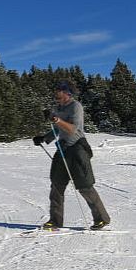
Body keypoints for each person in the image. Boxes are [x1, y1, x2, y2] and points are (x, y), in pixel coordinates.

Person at [33, 81, 111, 231]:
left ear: (67, 92)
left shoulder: (76, 106)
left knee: (85, 185)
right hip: (62, 149)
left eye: (58, 91)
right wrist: (44, 138)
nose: (56, 94)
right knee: (56, 185)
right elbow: (58, 129)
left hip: (77, 149)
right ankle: (55, 221)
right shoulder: (58, 108)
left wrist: (56, 119)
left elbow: (73, 129)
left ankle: (101, 218)